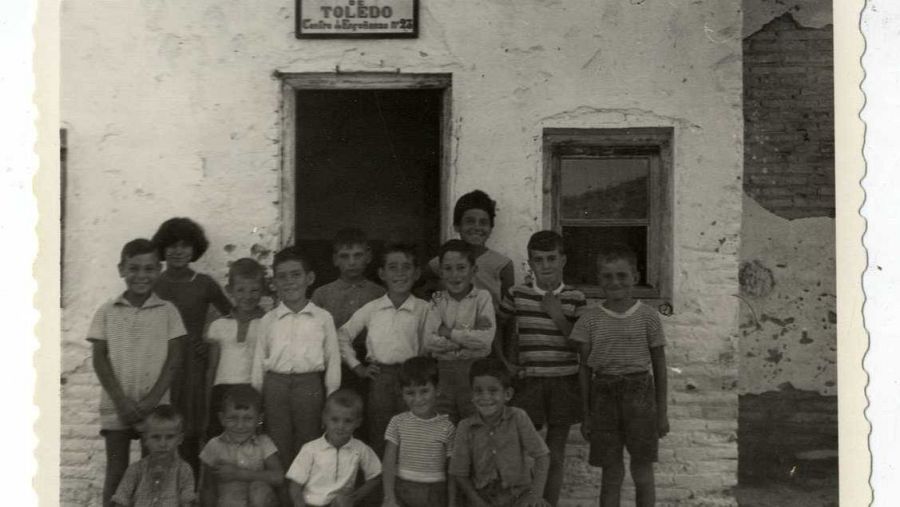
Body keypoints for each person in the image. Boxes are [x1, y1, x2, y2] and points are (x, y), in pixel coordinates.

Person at [569, 244, 669, 507]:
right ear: (599, 279)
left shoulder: (649, 317)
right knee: (611, 473)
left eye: (622, 275)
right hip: (604, 397)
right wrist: (587, 414)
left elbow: (659, 365)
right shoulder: (589, 320)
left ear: (635, 277)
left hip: (641, 397)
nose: (615, 282)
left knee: (642, 472)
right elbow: (584, 368)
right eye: (608, 276)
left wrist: (661, 413)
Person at [89, 238, 186, 506]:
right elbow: (99, 360)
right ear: (121, 269)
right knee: (117, 471)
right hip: (116, 405)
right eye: (134, 268)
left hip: (155, 408)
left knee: (156, 471)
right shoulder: (107, 311)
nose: (141, 276)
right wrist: (121, 401)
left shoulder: (169, 312)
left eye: (149, 269)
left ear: (158, 270)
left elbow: (174, 360)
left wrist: (152, 401)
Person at [495, 230, 586, 506]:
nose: (545, 266)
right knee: (523, 452)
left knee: (555, 454)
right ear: (530, 264)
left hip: (564, 382)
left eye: (551, 258)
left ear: (563, 260)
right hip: (529, 382)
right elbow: (497, 328)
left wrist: (557, 314)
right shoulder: (517, 294)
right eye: (538, 260)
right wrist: (505, 363)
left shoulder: (575, 298)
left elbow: (580, 345)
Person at [250, 246, 342, 473]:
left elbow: (333, 360)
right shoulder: (268, 320)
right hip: (275, 386)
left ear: (309, 278)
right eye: (282, 277)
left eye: (296, 275)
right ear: (274, 283)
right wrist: (257, 400)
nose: (289, 282)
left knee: (309, 441)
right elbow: (259, 361)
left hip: (309, 385)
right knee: (277, 443)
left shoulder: (322, 317)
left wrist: (331, 398)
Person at [152, 217, 233, 471]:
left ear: (194, 248)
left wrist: (210, 344)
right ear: (163, 248)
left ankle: (189, 493)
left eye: (185, 245)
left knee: (189, 433)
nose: (178, 251)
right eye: (172, 245)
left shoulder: (204, 283)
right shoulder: (154, 282)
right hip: (159, 365)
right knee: (159, 431)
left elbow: (231, 316)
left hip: (192, 367)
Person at [338, 243, 429, 455]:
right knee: (380, 431)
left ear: (416, 273)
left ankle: (405, 482)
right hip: (381, 378)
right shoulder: (373, 308)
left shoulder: (424, 308)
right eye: (392, 267)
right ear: (381, 273)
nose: (399, 273)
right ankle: (380, 482)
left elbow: (429, 344)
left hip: (413, 378)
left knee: (411, 431)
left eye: (406, 267)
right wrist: (357, 367)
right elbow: (342, 335)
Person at [449, 358, 550, 507]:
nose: (485, 397)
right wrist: (478, 502)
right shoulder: (465, 427)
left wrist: (535, 496)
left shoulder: (518, 417)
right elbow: (459, 473)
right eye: (478, 391)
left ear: (507, 394)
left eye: (493, 391)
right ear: (471, 395)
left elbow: (542, 456)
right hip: (484, 497)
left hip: (519, 494)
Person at [311, 228, 385, 414]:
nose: (352, 262)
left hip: (368, 362)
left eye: (358, 255)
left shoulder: (379, 293)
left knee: (367, 414)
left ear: (368, 256)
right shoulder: (322, 294)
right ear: (335, 259)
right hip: (332, 363)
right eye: (345, 256)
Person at [423, 239, 495, 423]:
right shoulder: (437, 300)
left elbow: (485, 339)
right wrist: (467, 339)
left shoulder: (482, 298)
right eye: (448, 268)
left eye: (461, 267)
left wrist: (448, 333)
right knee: (444, 424)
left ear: (474, 270)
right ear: (440, 272)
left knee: (476, 422)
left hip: (475, 371)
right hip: (444, 373)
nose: (455, 275)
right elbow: (429, 341)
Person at [205, 258, 267, 440]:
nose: (247, 296)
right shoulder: (218, 325)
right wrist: (207, 405)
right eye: (240, 290)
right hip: (222, 392)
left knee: (251, 443)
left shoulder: (268, 323)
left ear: (263, 290)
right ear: (229, 290)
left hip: (254, 389)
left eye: (254, 290)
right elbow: (211, 369)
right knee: (219, 443)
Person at [286, 389, 382, 507]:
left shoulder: (360, 448)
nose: (341, 426)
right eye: (335, 419)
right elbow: (295, 483)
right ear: (325, 418)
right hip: (311, 503)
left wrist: (354, 497)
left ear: (358, 422)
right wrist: (298, 503)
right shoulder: (310, 448)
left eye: (348, 421)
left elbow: (376, 475)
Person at [382, 357, 456, 507]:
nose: (418, 399)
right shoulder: (398, 422)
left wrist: (452, 503)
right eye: (410, 393)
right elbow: (389, 462)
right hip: (403, 490)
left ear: (438, 390)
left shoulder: (447, 427)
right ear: (402, 394)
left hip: (435, 494)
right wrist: (389, 497)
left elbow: (452, 471)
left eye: (424, 391)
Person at [426, 190, 514, 309]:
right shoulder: (441, 261)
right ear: (457, 226)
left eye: (483, 223)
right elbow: (417, 286)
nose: (477, 227)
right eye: (470, 221)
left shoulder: (503, 265)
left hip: (488, 325)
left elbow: (509, 309)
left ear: (491, 228)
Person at [199, 385, 283, 507]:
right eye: (233, 418)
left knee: (259, 489)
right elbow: (207, 488)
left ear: (259, 419)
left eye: (248, 419)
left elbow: (278, 477)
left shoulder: (264, 443)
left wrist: (239, 474)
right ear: (222, 418)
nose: (240, 426)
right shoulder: (214, 446)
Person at [111, 405, 196, 507]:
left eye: (170, 437)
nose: (163, 444)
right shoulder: (135, 470)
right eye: (156, 437)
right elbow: (121, 501)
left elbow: (187, 503)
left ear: (180, 439)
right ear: (145, 439)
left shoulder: (184, 471)